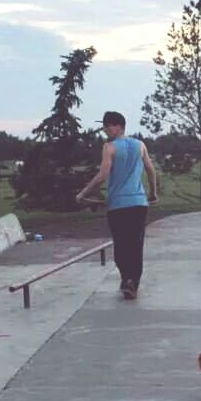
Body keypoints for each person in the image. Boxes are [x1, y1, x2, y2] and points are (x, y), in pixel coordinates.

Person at [76, 111, 158, 299]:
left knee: (122, 244)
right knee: (135, 245)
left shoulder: (109, 147)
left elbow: (103, 175)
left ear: (120, 126)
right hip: (138, 203)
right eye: (105, 125)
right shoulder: (140, 145)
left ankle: (127, 280)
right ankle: (132, 282)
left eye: (109, 125)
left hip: (119, 204)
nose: (106, 129)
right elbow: (151, 171)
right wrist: (153, 194)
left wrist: (83, 193)